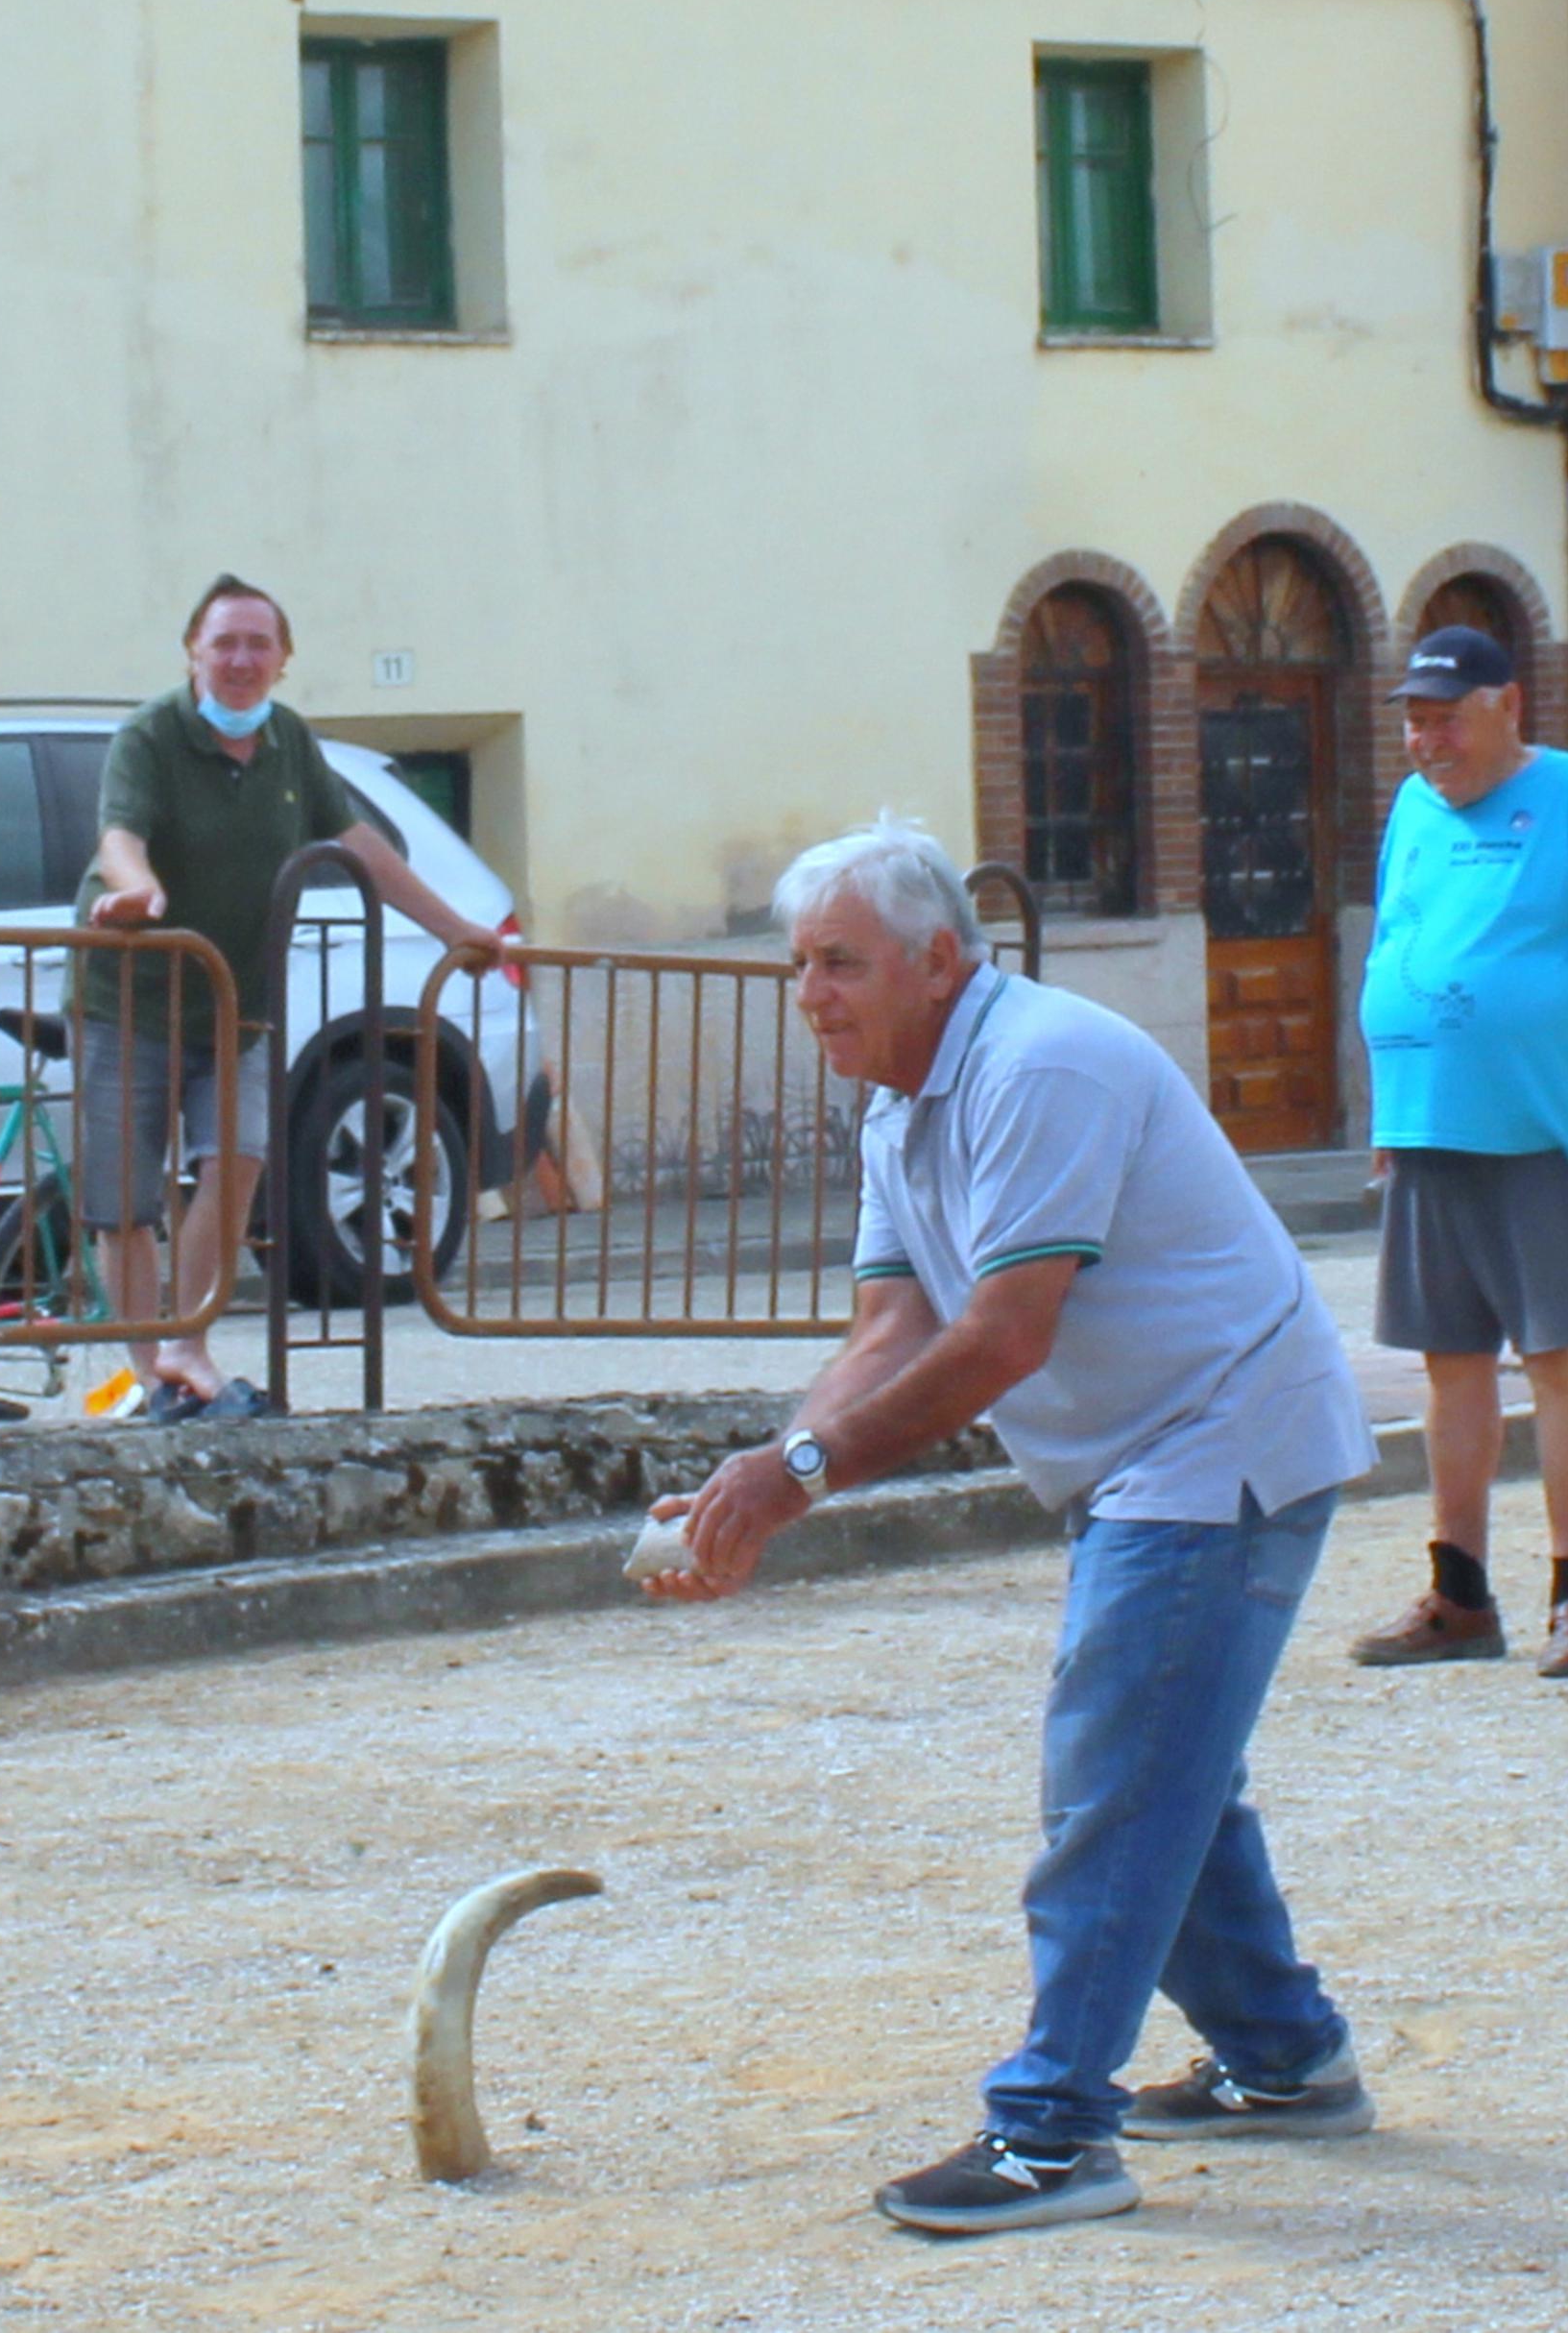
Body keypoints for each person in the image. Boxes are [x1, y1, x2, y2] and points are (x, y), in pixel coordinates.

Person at [646, 814, 1379, 2238]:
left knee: (1117, 1774)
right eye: (799, 965)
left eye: (840, 962)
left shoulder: (1037, 1063)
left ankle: (1052, 2130)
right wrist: (764, 1473)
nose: (811, 994)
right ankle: (1287, 2059)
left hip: (1219, 1433)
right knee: (1162, 1766)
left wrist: (791, 1475)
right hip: (1143, 1452)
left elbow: (1001, 1334)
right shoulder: (897, 1095)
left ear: (938, 958)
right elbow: (890, 1323)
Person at [75, 573, 501, 1419]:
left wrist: (457, 927)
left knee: (234, 1162)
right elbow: (119, 836)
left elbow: (358, 845)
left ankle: (189, 1345)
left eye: (257, 644)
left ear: (282, 660)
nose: (239, 659)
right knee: (123, 1201)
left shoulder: (290, 745)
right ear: (193, 653)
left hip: (240, 1004)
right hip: (132, 999)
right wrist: (141, 893)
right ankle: (151, 1371)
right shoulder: (149, 736)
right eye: (223, 643)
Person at [1346, 624, 1568, 1681]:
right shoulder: (1410, 808)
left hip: (1538, 1130)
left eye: (1444, 716)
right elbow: (1398, 944)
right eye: (1411, 717)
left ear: (1507, 707)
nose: (1424, 738)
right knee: (1449, 1369)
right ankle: (1457, 1594)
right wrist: (1387, 1110)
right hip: (1427, 1129)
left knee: (1554, 1362)